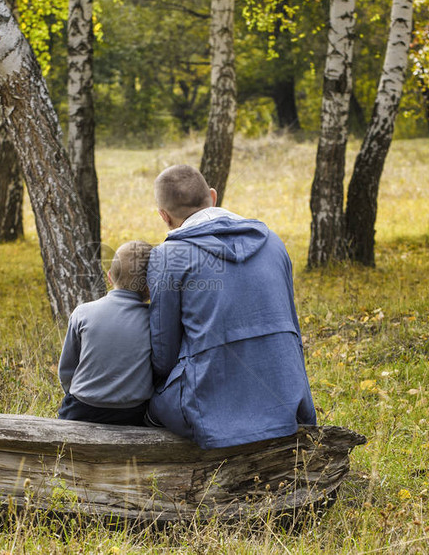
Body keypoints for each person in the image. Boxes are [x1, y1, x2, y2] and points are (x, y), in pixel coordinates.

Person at [145, 164, 317, 449]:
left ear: (164, 216)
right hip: (288, 399)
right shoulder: (273, 242)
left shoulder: (168, 256)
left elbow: (163, 357)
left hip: (208, 411)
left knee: (144, 406)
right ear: (212, 196)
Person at [57, 240, 154, 425]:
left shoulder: (82, 313)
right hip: (132, 413)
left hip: (81, 409)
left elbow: (67, 370)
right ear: (150, 285)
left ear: (109, 277)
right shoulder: (154, 320)